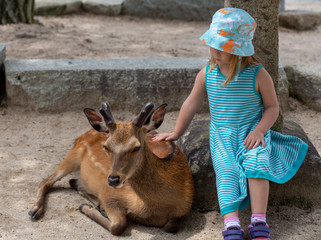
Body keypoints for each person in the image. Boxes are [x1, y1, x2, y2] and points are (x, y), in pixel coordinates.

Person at [152, 8, 308, 240]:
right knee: (226, 173)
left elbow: (272, 107)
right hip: (222, 137)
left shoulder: (258, 74)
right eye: (213, 45)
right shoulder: (206, 74)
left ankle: (258, 221)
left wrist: (260, 130)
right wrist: (176, 132)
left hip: (251, 133)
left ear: (239, 51)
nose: (215, 51)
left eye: (223, 48)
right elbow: (191, 104)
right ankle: (232, 222)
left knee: (258, 164)